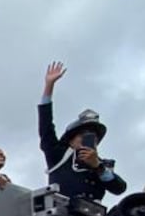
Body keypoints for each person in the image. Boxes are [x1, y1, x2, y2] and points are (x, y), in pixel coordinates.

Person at [38, 61, 127, 201]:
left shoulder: (102, 165)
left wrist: (97, 167)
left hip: (92, 214)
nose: (89, 139)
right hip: (61, 212)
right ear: (71, 140)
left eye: (94, 137)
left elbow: (119, 188)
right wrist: (49, 85)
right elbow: (46, 125)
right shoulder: (58, 154)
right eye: (82, 136)